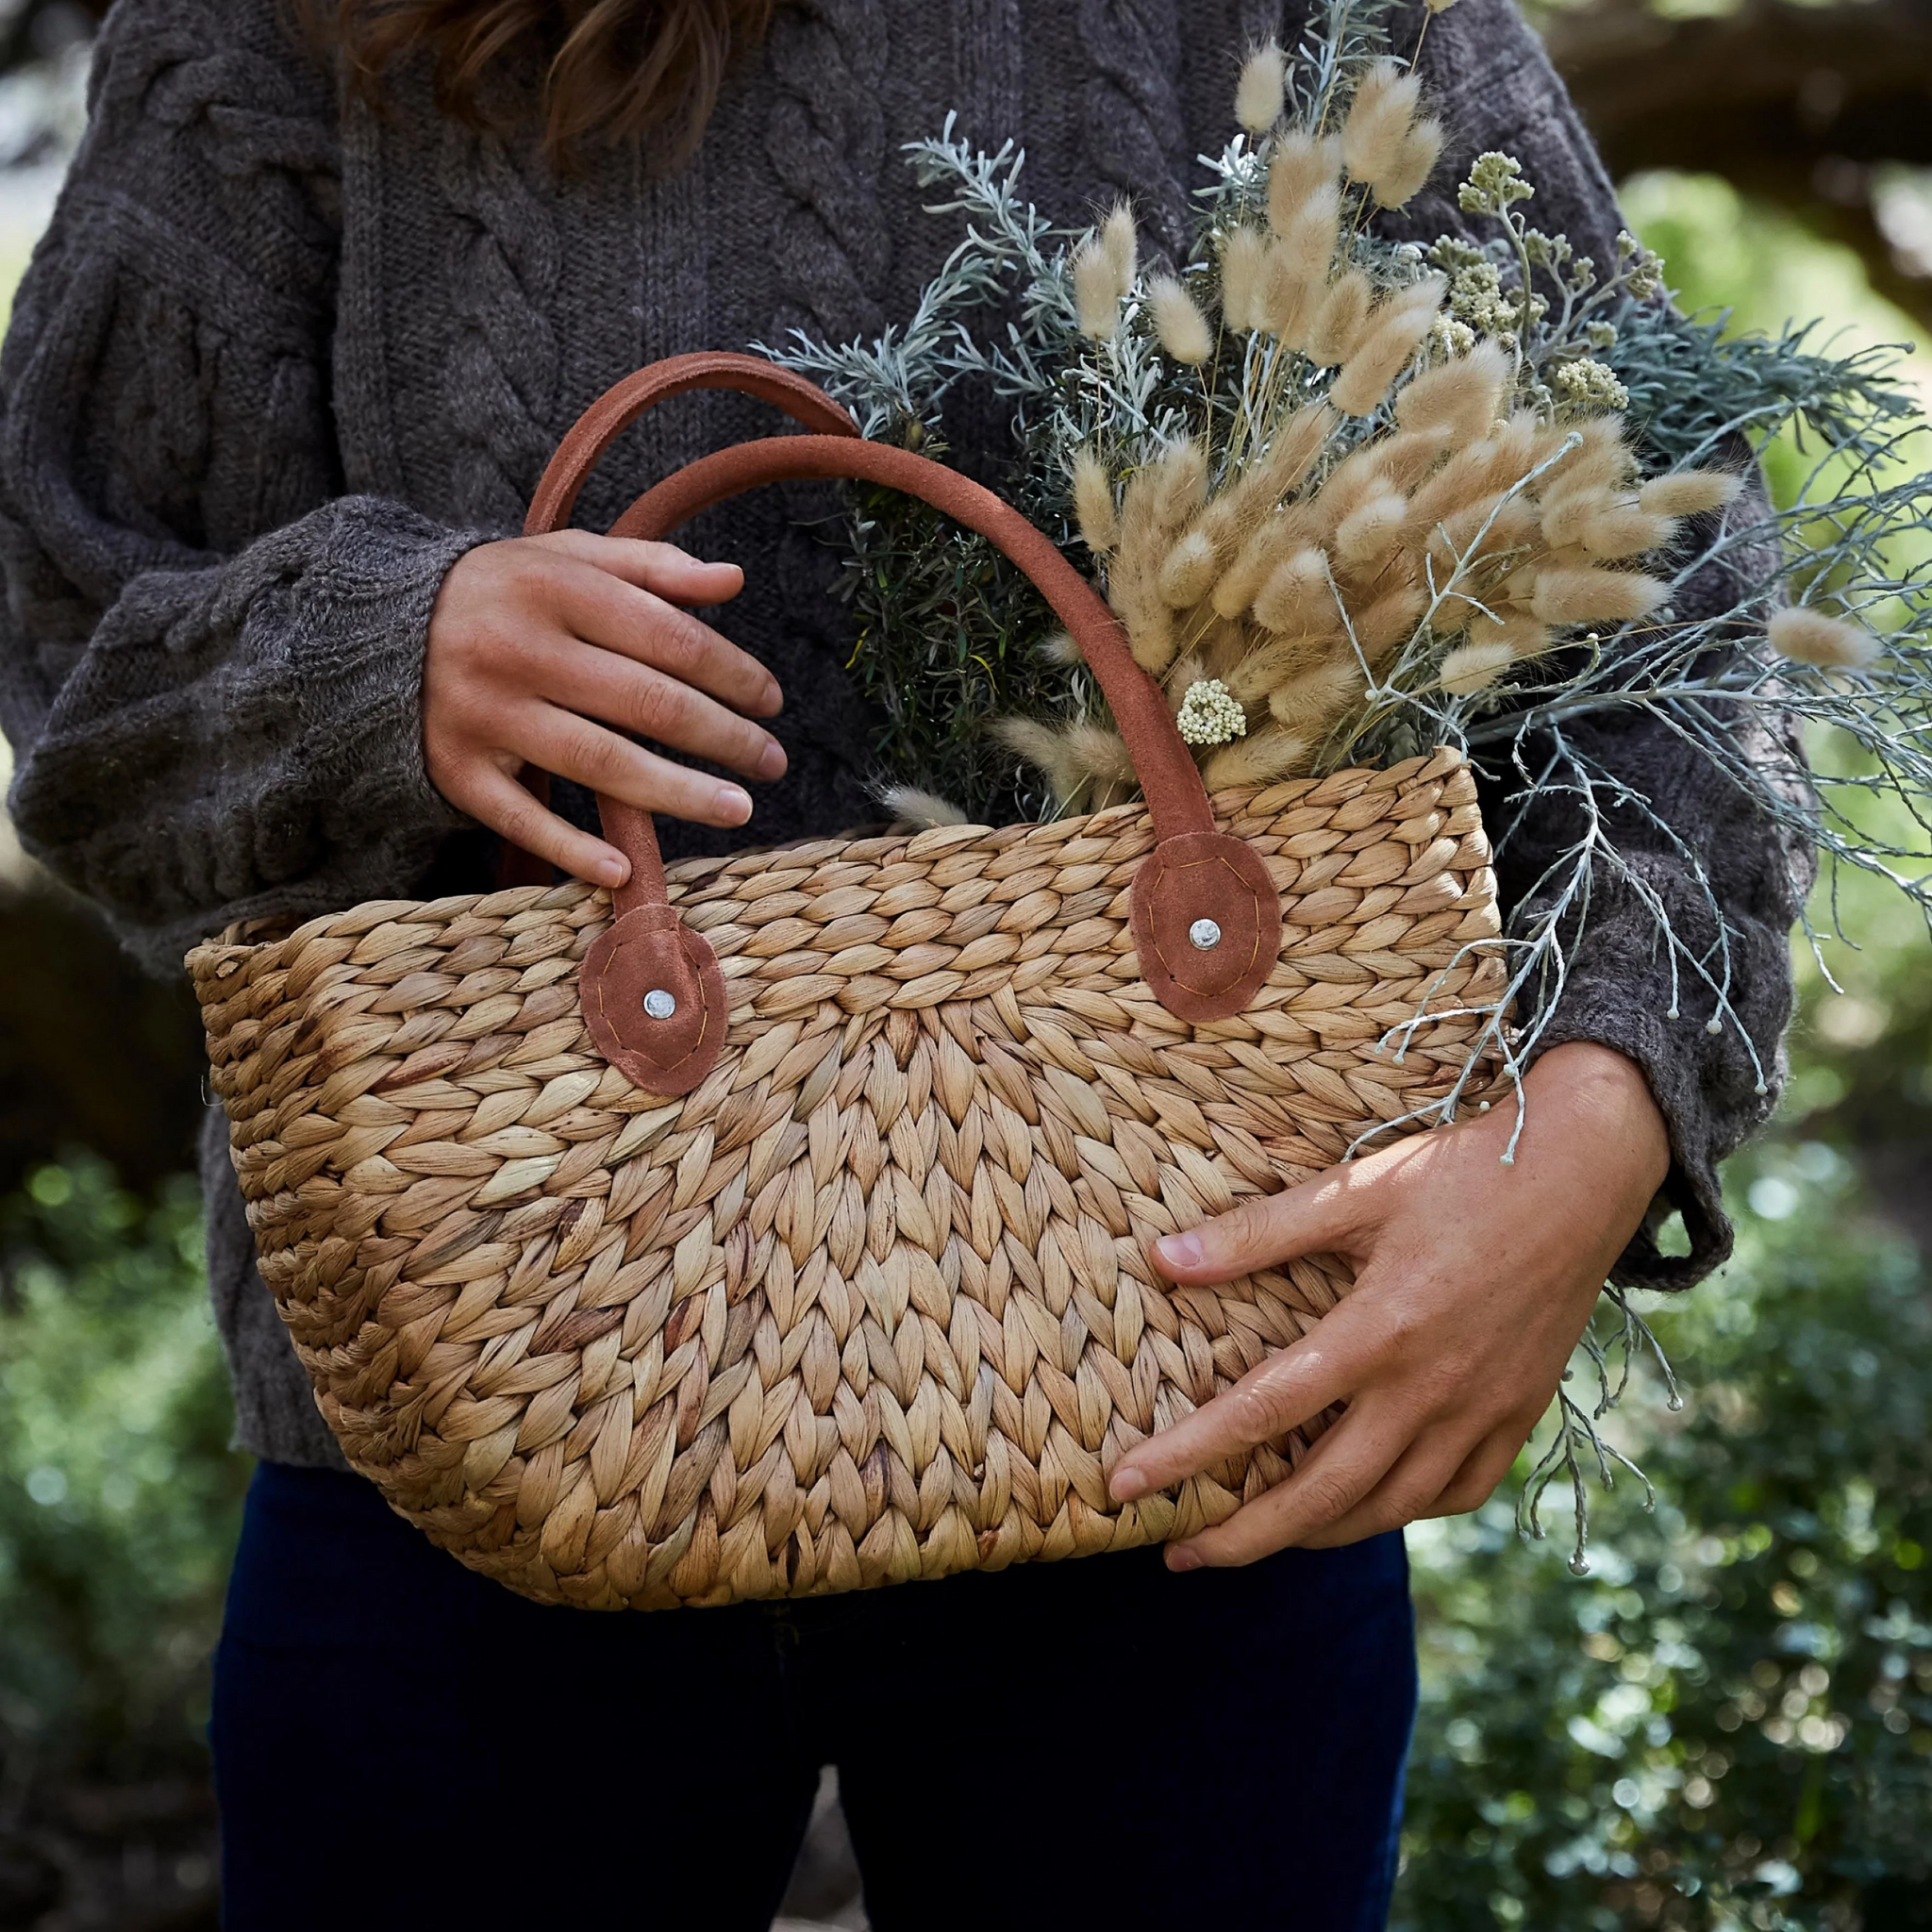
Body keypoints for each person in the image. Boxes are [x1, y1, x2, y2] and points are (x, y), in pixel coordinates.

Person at [0, 1, 1803, 1925]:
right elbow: (72, 672)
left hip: (1192, 1420)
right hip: (466, 1464)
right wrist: (385, 655)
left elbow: (1662, 566)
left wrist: (1599, 1110)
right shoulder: (285, 28)